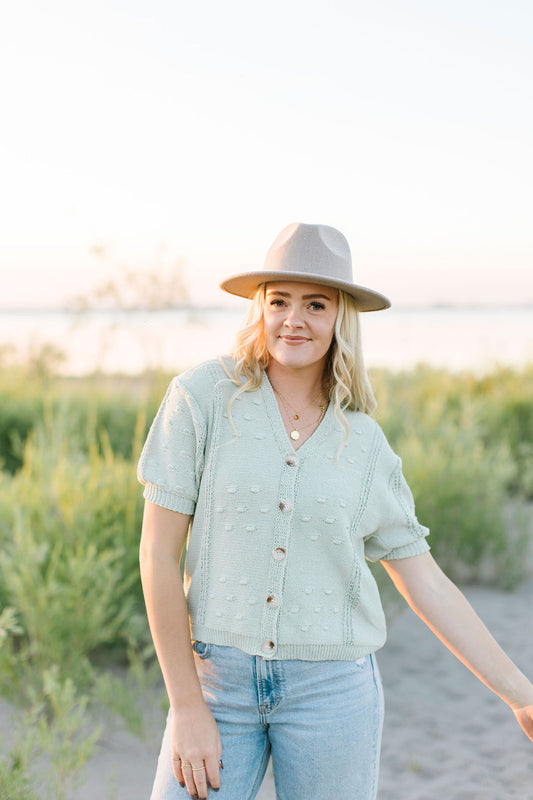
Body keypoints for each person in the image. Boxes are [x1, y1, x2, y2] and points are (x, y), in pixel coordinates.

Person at [138, 222, 533, 800]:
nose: (293, 319)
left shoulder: (365, 443)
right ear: (261, 308)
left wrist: (519, 692)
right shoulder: (200, 399)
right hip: (216, 686)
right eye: (280, 301)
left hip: (333, 694)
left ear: (340, 317)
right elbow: (157, 555)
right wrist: (185, 705)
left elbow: (425, 582)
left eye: (315, 304)